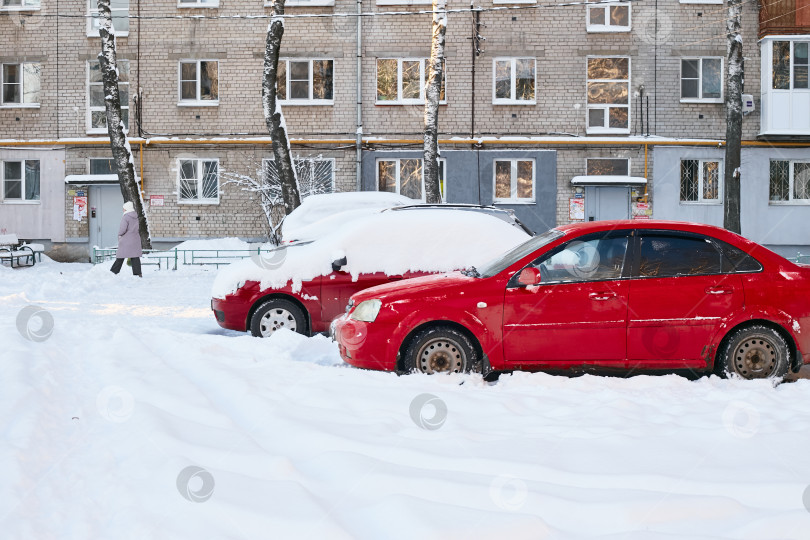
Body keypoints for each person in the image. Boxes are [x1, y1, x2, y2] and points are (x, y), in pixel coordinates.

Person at [110, 201, 143, 277]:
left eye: (124, 208)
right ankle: (138, 273)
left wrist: (119, 234)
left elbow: (122, 229)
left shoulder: (126, 217)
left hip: (126, 240)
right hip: (135, 238)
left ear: (127, 208)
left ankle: (113, 272)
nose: (123, 210)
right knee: (135, 256)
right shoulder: (135, 216)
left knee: (120, 256)